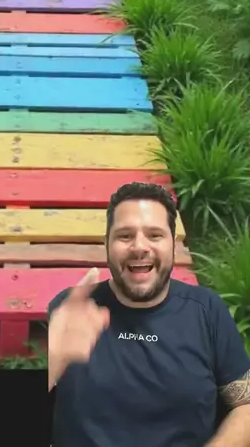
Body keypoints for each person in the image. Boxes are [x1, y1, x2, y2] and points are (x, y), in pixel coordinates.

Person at [48, 181, 250, 446]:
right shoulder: (70, 310)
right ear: (107, 244)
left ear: (173, 245)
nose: (139, 247)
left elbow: (245, 406)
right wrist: (55, 360)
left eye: (154, 235)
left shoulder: (207, 310)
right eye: (125, 236)